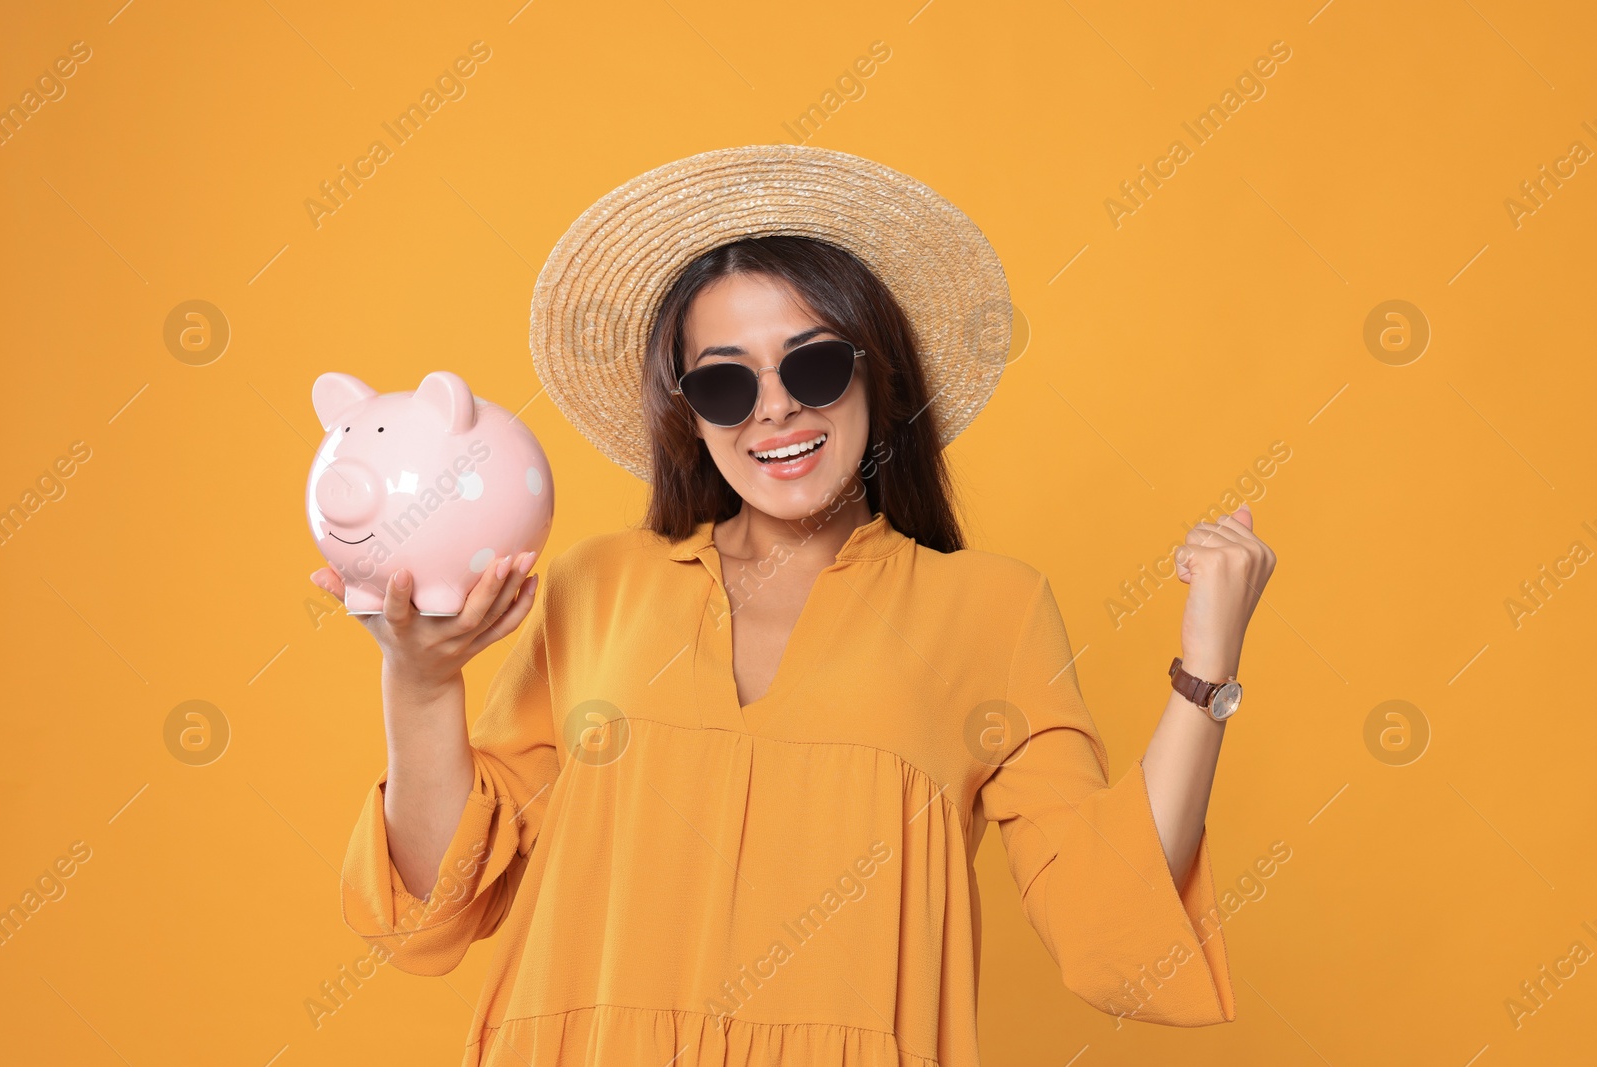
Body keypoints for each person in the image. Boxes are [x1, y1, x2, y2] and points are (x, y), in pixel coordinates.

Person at [314, 144, 1277, 1066]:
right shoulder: (594, 588)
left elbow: (1114, 930)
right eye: (726, 381)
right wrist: (421, 679)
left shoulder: (992, 610)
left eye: (812, 365)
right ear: (690, 411)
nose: (773, 407)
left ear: (876, 373)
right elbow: (436, 910)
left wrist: (1207, 671)